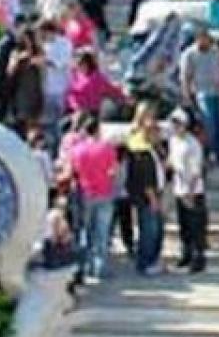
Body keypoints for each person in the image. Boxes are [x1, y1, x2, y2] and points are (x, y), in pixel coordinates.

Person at [70, 114, 120, 280]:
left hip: (85, 192)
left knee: (85, 230)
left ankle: (83, 266)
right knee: (102, 232)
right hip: (104, 192)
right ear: (98, 130)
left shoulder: (77, 150)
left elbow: (74, 171)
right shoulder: (107, 148)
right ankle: (99, 267)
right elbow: (113, 171)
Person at [125, 110, 168, 277]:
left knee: (156, 229)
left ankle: (153, 260)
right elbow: (146, 177)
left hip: (156, 192)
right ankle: (146, 263)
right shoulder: (139, 149)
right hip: (147, 196)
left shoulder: (152, 147)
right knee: (149, 230)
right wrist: (153, 198)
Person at [181, 29, 219, 164]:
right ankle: (209, 151)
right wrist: (187, 94)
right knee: (209, 123)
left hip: (218, 91)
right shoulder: (189, 54)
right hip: (202, 91)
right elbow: (186, 76)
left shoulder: (215, 51)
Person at [169, 110, 209, 274]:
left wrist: (190, 192)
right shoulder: (173, 141)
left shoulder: (192, 144)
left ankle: (198, 257)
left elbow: (196, 170)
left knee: (196, 226)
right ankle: (186, 254)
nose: (175, 127)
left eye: (178, 123)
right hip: (179, 188)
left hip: (193, 190)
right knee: (184, 225)